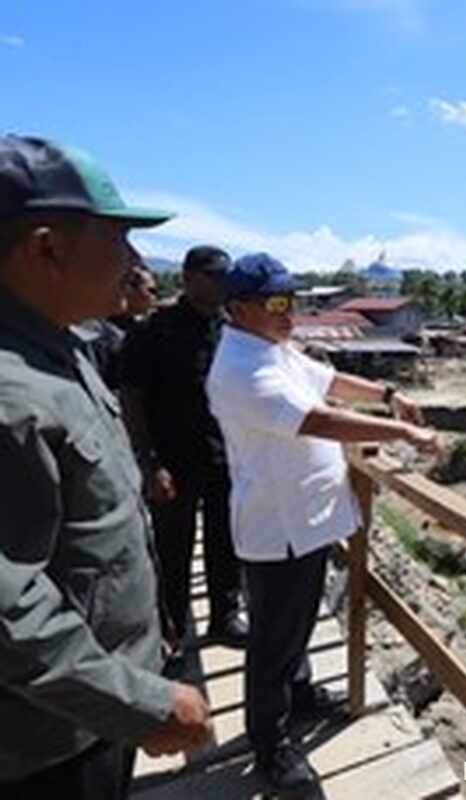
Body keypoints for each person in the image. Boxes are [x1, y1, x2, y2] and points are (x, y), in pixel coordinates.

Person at [0, 135, 213, 798]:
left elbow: (90, 525)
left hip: (87, 709)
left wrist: (148, 624)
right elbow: (10, 608)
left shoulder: (59, 348)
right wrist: (139, 703)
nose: (135, 262)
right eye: (118, 239)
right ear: (47, 248)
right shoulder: (10, 392)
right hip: (46, 743)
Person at [206, 252, 440, 792]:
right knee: (273, 642)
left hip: (306, 519)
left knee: (300, 624)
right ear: (239, 309)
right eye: (277, 302)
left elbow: (330, 381)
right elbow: (316, 419)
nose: (290, 311)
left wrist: (388, 395)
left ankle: (301, 694)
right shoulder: (242, 369)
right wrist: (401, 433)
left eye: (293, 299)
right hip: (278, 525)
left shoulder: (273, 348)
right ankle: (271, 745)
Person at [121, 245, 247, 652]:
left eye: (225, 276)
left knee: (225, 541)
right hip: (172, 462)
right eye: (213, 276)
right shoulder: (155, 330)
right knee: (172, 550)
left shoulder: (233, 330)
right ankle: (172, 632)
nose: (221, 284)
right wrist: (149, 462)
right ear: (189, 277)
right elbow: (132, 398)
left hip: (224, 458)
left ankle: (225, 617)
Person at [76, 261, 157, 391]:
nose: (154, 297)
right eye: (151, 290)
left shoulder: (141, 329)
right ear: (128, 289)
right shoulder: (97, 334)